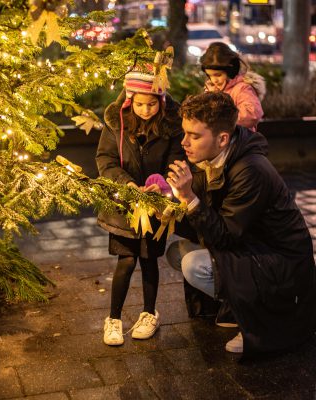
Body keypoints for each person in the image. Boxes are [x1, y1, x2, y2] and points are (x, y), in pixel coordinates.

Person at [165, 91, 316, 355]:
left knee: (194, 265)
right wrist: (167, 211)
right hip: (251, 248)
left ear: (223, 138)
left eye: (195, 135)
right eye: (185, 133)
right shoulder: (209, 159)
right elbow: (202, 227)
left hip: (280, 262)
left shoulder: (251, 169)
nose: (184, 142)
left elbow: (225, 236)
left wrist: (189, 196)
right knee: (177, 252)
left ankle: (259, 321)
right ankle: (237, 307)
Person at [96, 70, 185, 346]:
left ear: (161, 101)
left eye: (152, 104)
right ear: (130, 101)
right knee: (125, 260)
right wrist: (126, 185)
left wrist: (163, 186)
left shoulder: (170, 127)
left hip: (155, 207)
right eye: (140, 104)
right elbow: (106, 160)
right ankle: (113, 318)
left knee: (149, 261)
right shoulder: (116, 124)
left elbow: (177, 160)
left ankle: (148, 313)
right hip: (124, 206)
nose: (146, 110)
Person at [200, 42, 265, 131]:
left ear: (231, 71)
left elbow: (252, 114)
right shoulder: (211, 90)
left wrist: (220, 118)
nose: (214, 80)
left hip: (239, 141)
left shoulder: (242, 89)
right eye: (210, 75)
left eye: (218, 75)